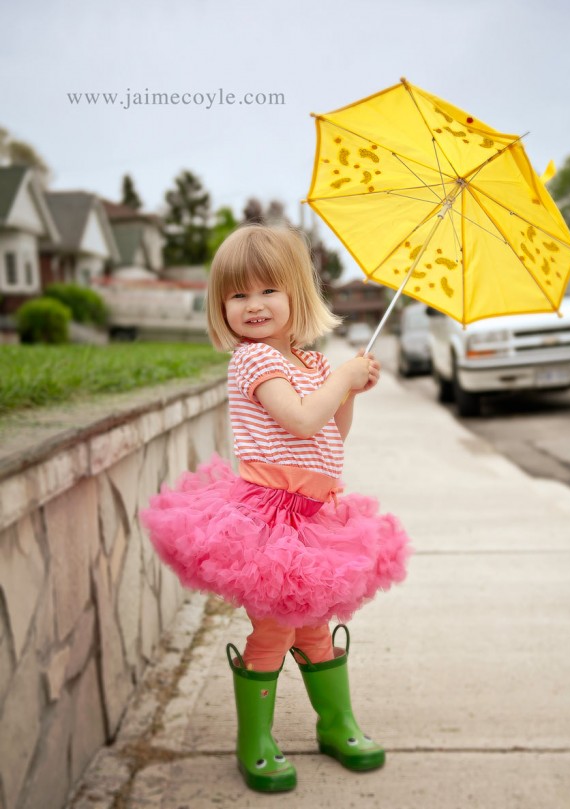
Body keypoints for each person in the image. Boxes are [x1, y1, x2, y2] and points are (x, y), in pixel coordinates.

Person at [141, 225, 411, 793]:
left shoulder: (310, 364)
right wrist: (342, 378)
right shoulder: (252, 361)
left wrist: (347, 392)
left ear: (296, 293)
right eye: (237, 295)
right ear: (222, 307)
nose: (253, 305)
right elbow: (301, 419)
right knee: (274, 631)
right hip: (269, 518)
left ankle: (336, 724)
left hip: (315, 515)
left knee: (313, 628)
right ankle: (255, 742)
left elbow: (330, 435)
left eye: (267, 290)